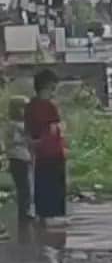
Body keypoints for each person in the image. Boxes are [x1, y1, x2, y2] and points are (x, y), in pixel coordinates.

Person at [24, 70, 67, 225]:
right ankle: (53, 215)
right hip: (51, 150)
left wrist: (33, 143)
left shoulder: (31, 105)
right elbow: (55, 128)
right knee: (53, 181)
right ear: (46, 86)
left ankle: (43, 214)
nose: (53, 92)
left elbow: (28, 130)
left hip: (40, 151)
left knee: (42, 181)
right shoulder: (49, 106)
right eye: (52, 88)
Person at [3, 96, 31, 223]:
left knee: (26, 186)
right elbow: (14, 141)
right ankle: (24, 212)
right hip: (17, 158)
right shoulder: (13, 125)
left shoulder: (22, 124)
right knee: (23, 187)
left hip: (24, 157)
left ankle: (26, 210)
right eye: (23, 108)